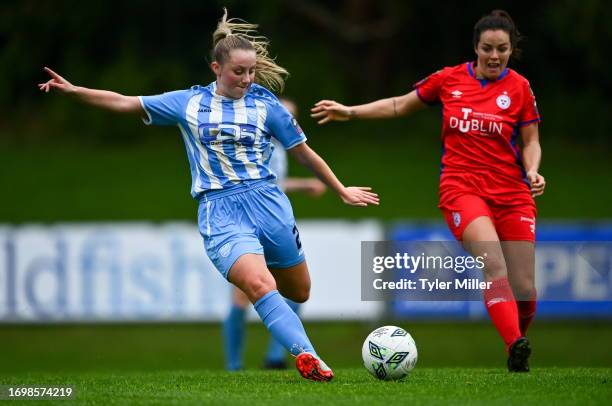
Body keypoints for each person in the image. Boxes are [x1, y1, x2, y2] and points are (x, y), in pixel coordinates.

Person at [39, 9, 379, 382]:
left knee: (299, 292)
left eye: (251, 72)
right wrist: (74, 91)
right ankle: (309, 357)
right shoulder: (188, 103)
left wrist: (340, 188)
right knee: (257, 284)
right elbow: (126, 101)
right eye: (239, 72)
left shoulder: (267, 106)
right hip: (221, 210)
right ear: (216, 68)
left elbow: (302, 152)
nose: (247, 79)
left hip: (269, 204)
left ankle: (294, 344)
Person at [311, 10, 544, 372]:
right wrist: (350, 112)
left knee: (525, 289)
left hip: (513, 193)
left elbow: (531, 140)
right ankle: (514, 342)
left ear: (512, 49)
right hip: (462, 188)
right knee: (493, 264)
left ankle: (516, 348)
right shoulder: (448, 79)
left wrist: (532, 170)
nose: (494, 56)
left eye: (502, 49)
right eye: (487, 49)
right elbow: (399, 105)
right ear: (476, 48)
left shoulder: (520, 88)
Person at [224, 97, 326, 371]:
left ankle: (270, 358)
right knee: (248, 295)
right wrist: (307, 183)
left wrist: (304, 185)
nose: (289, 122)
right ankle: (244, 364)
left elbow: (275, 184)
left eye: (293, 117)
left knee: (290, 291)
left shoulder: (277, 148)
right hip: (248, 223)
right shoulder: (257, 145)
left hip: (267, 222)